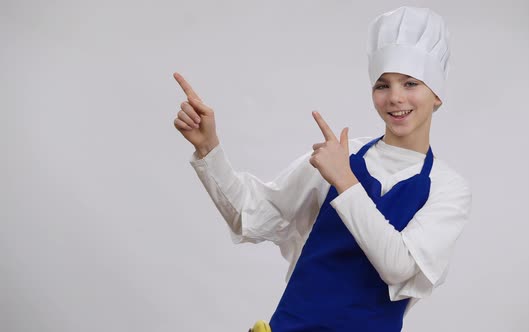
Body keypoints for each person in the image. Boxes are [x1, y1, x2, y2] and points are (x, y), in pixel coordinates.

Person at [173, 6, 472, 332]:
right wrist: (208, 147)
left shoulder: (447, 188)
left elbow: (398, 266)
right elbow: (251, 215)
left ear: (437, 95)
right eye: (382, 85)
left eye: (410, 83)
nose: (395, 98)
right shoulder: (342, 154)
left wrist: (344, 180)